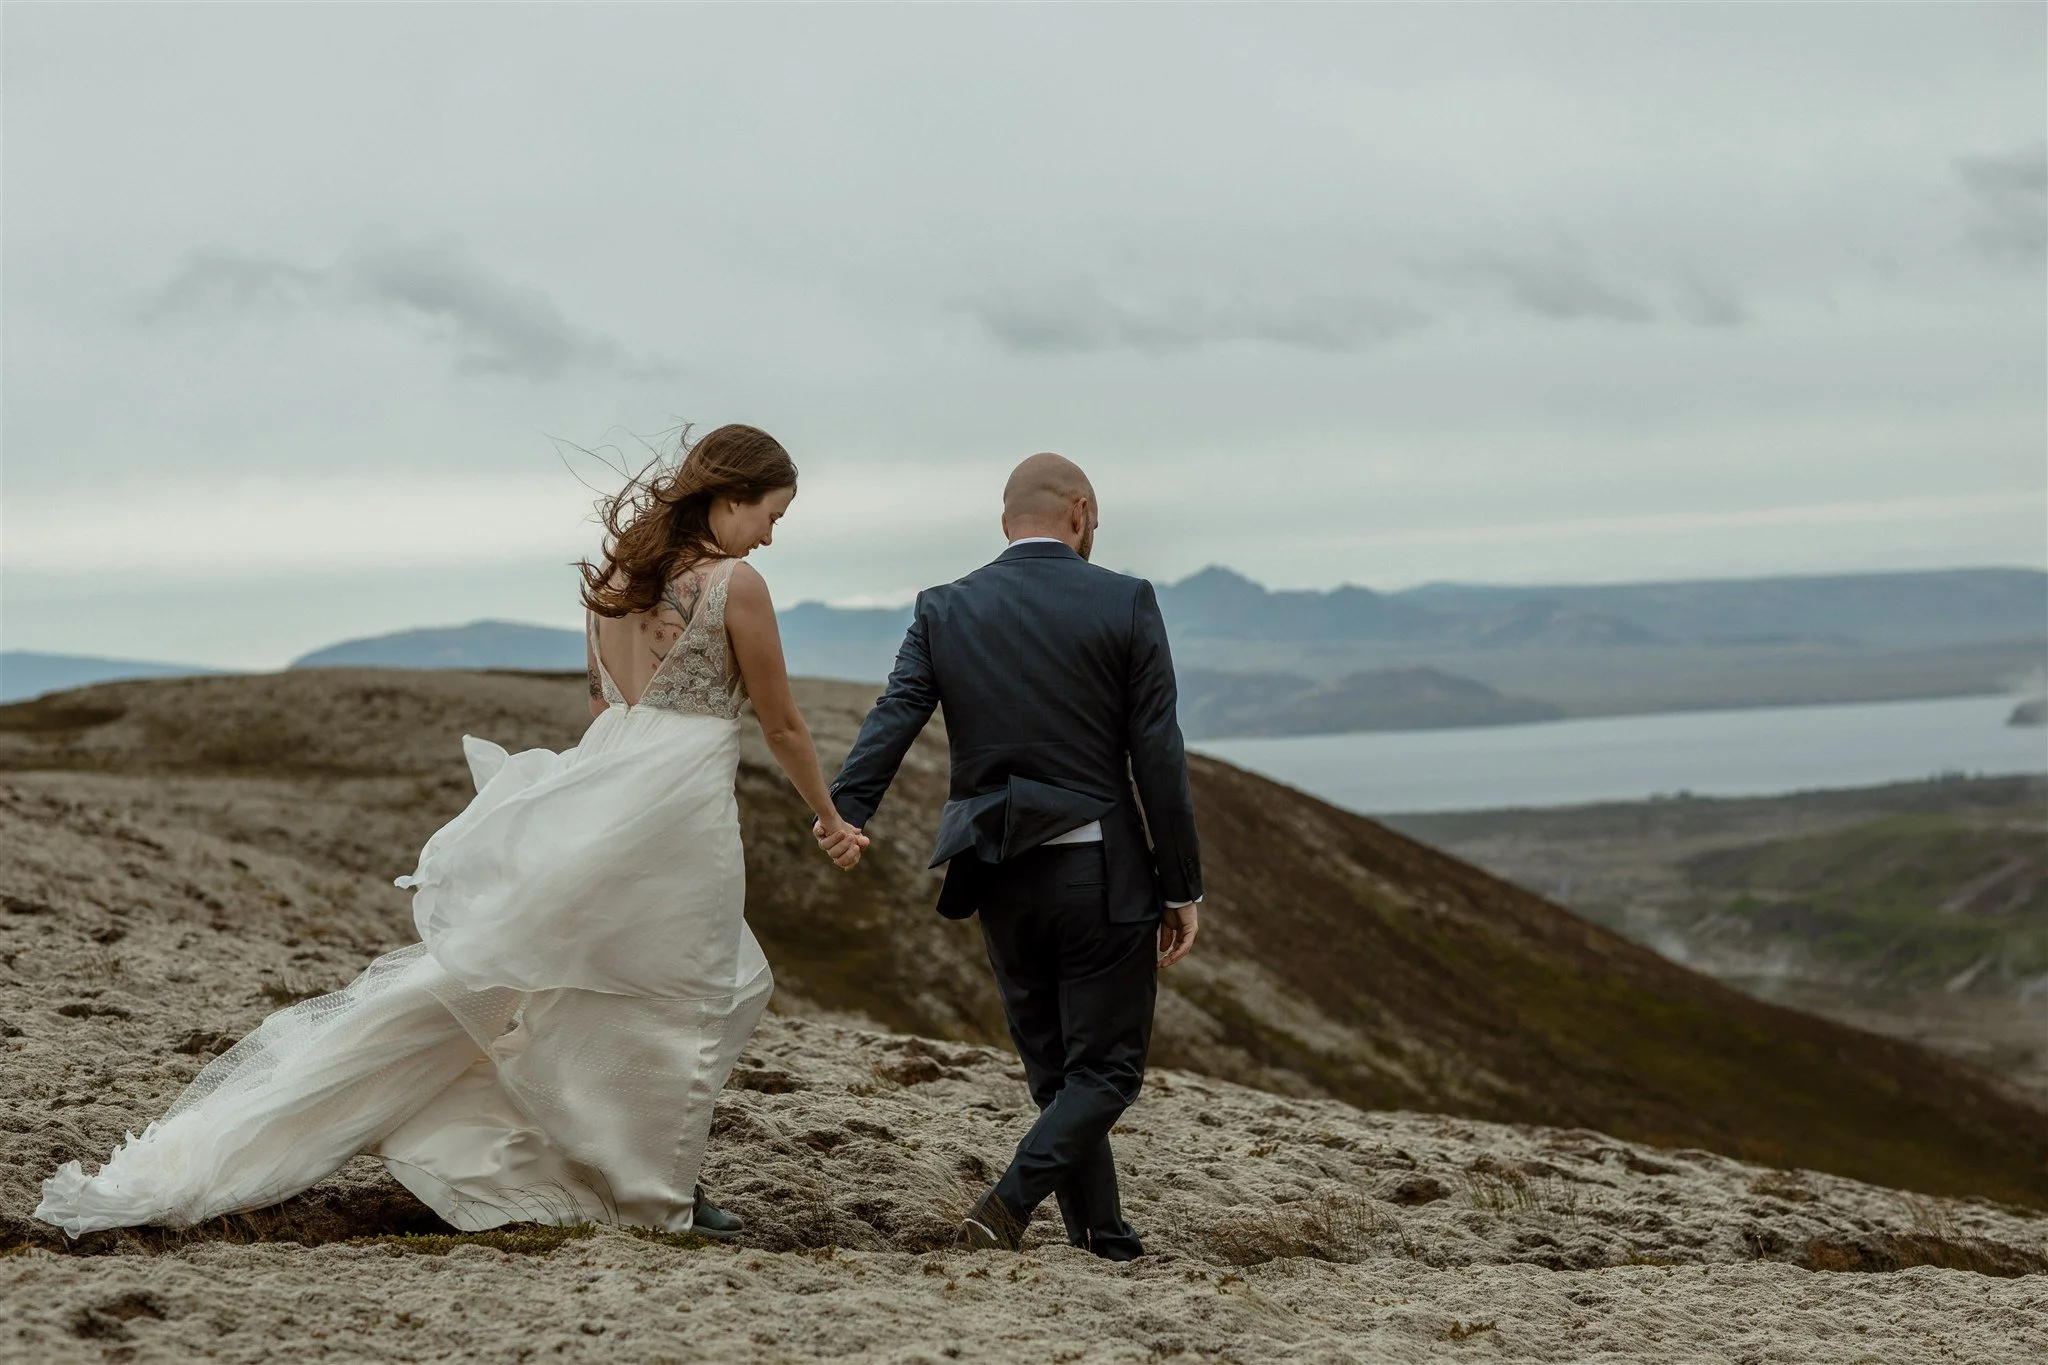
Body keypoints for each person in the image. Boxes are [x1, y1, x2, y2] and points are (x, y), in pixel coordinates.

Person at [37, 423, 865, 1239]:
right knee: (680, 992)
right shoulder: (736, 585)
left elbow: (602, 706)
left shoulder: (619, 575)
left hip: (608, 784)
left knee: (599, 984)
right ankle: (650, 1195)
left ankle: (637, 1172)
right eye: (772, 515)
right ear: (731, 496)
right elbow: (782, 723)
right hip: (677, 806)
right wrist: (828, 816)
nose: (770, 536)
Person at [818, 452, 1201, 1262]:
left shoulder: (944, 606)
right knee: (1107, 1073)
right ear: (1081, 511)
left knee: (1057, 1074)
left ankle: (1103, 1233)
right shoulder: (1125, 600)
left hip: (995, 872)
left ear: (1005, 522)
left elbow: (897, 712)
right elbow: (1157, 752)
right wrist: (1181, 884)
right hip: (1098, 872)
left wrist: (845, 810)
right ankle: (1008, 1203)